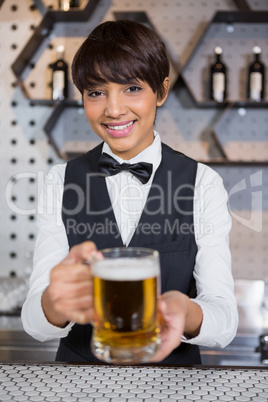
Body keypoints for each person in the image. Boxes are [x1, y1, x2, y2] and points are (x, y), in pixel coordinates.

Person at [21, 20, 238, 365]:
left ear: (162, 91)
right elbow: (35, 323)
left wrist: (186, 311)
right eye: (96, 92)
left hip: (172, 384)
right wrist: (53, 303)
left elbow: (224, 321)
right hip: (81, 383)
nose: (114, 109)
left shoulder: (203, 182)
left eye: (132, 88)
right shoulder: (59, 181)